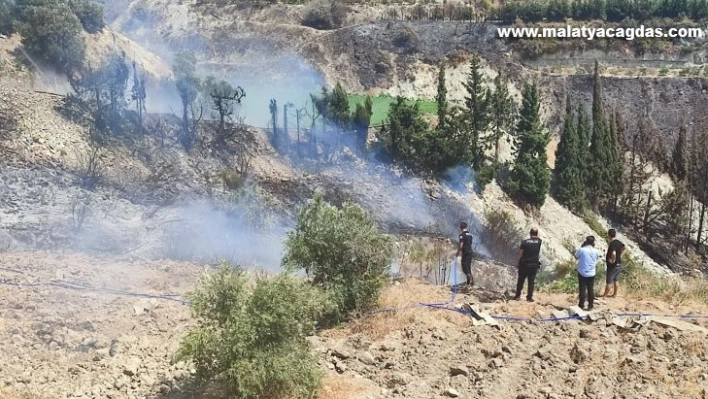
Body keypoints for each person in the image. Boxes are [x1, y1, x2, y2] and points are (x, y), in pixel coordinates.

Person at [513, 228, 542, 302]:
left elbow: (520, 253)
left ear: (530, 233)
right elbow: (538, 237)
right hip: (534, 264)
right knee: (531, 281)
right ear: (537, 234)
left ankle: (517, 296)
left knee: (520, 281)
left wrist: (517, 262)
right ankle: (529, 297)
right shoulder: (539, 241)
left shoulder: (524, 242)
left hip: (524, 264)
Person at [575, 235, 601, 311]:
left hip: (582, 272)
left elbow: (576, 257)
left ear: (586, 241)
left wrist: (582, 246)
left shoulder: (582, 249)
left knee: (582, 289)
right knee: (590, 289)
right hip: (592, 272)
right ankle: (590, 305)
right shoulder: (596, 251)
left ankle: (581, 305)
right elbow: (597, 258)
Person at [601, 228, 626, 298]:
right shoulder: (618, 242)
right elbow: (624, 248)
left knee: (609, 281)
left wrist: (613, 260)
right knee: (616, 279)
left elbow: (614, 253)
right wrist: (620, 255)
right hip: (619, 264)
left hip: (612, 266)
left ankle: (604, 296)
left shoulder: (612, 244)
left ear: (609, 235)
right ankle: (614, 294)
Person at [456, 222, 475, 290]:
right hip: (470, 252)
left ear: (461, 228)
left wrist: (458, 253)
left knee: (465, 268)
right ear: (466, 227)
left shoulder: (462, 235)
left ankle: (468, 284)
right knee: (468, 268)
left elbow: (461, 245)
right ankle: (471, 283)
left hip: (466, 253)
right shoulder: (470, 235)